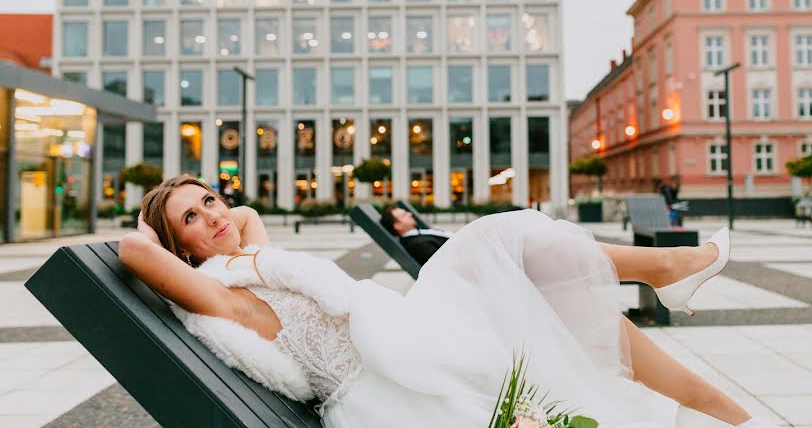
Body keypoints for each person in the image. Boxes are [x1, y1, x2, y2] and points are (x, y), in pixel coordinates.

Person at [120, 175, 775, 428]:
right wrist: (153, 234)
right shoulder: (222, 298)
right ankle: (667, 274)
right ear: (181, 252)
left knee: (526, 274)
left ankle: (721, 399)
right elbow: (133, 253)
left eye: (210, 200)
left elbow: (251, 217)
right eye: (192, 219)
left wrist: (216, 225)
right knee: (502, 252)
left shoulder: (248, 265)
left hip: (402, 338)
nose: (214, 217)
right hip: (391, 375)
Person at [379, 204, 455, 265]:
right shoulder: (419, 244)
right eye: (404, 215)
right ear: (398, 226)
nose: (410, 214)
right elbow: (445, 264)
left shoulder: (418, 236)